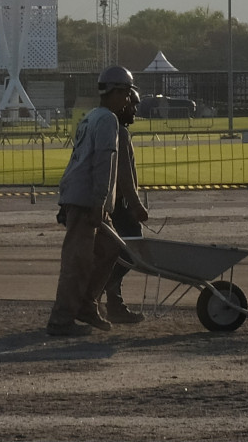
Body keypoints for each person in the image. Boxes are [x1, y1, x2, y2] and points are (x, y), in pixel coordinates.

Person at [46, 65, 143, 337]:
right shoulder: (109, 121)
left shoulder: (92, 116)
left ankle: (87, 305)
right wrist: (101, 202)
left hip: (82, 196)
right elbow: (105, 161)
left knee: (111, 248)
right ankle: (60, 320)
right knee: (76, 261)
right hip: (88, 200)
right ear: (117, 92)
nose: (128, 101)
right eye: (126, 94)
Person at [103, 84, 150, 324]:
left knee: (115, 254)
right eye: (132, 105)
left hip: (109, 203)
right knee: (132, 252)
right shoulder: (120, 132)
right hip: (119, 204)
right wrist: (136, 206)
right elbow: (124, 175)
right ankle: (104, 292)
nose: (135, 110)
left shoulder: (111, 128)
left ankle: (113, 303)